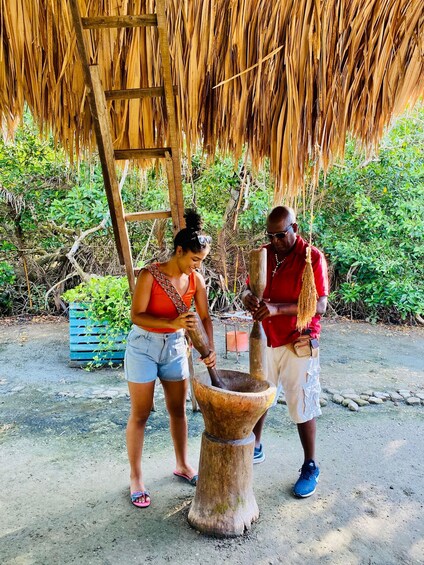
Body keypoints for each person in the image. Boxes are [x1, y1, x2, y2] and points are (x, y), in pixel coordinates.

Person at [125, 210, 216, 508]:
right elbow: (137, 315)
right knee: (141, 413)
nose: (197, 266)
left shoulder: (196, 280)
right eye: (194, 259)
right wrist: (173, 324)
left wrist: (209, 350)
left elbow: (204, 317)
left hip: (176, 348)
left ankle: (182, 465)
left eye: (201, 261)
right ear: (179, 251)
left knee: (178, 410)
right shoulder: (149, 275)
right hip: (143, 347)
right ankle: (136, 478)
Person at [242, 205, 328, 498]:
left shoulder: (311, 258)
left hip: (298, 341)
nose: (276, 240)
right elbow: (247, 289)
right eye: (271, 235)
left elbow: (320, 306)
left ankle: (310, 465)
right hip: (267, 338)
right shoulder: (262, 255)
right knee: (262, 397)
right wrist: (248, 300)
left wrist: (277, 309)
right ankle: (255, 445)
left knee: (301, 405)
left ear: (295, 228)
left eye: (282, 234)